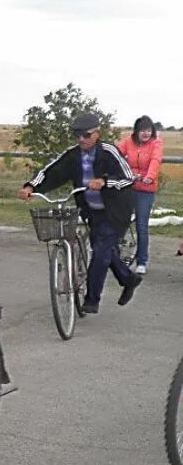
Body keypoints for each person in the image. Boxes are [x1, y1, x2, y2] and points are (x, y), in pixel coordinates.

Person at [17, 113, 141, 314]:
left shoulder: (108, 151)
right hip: (92, 211)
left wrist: (105, 181)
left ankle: (92, 299)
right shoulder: (73, 155)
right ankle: (129, 279)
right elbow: (51, 171)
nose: (81, 139)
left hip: (116, 210)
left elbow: (127, 178)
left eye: (86, 134)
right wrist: (31, 187)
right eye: (77, 135)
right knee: (104, 249)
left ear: (97, 133)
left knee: (101, 250)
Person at [117, 115, 163, 274]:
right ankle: (114, 256)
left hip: (145, 189)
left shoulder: (156, 143)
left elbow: (155, 161)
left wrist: (149, 177)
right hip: (129, 186)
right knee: (119, 221)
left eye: (149, 130)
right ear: (136, 131)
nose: (146, 133)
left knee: (141, 225)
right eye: (142, 130)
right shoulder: (128, 142)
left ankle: (142, 261)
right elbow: (116, 154)